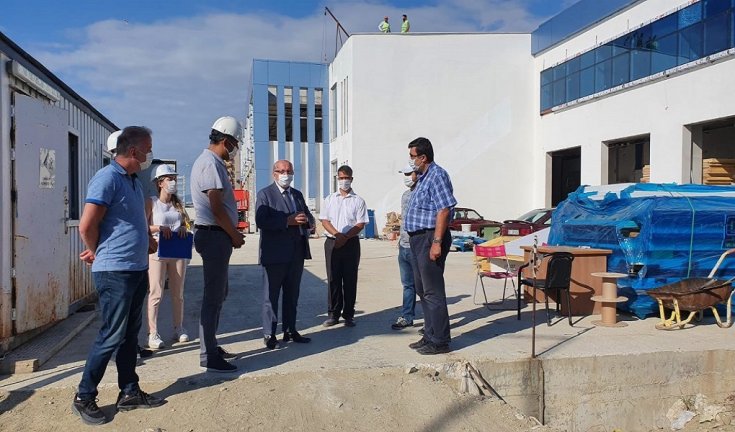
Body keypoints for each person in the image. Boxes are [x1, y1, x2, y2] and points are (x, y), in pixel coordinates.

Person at [73, 126, 165, 426]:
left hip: (135, 268)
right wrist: (97, 251)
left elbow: (128, 223)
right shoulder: (107, 178)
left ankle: (129, 391)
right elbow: (86, 225)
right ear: (134, 150)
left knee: (128, 335)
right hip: (116, 271)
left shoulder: (134, 182)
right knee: (111, 334)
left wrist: (147, 242)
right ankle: (84, 396)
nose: (150, 153)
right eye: (148, 147)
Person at [191, 116, 245, 373]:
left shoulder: (212, 163)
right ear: (225, 141)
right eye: (234, 145)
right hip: (214, 235)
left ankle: (211, 343)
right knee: (213, 296)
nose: (234, 151)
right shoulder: (210, 164)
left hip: (215, 235)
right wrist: (233, 233)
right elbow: (215, 207)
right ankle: (208, 354)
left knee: (219, 293)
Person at [404, 137, 457, 355]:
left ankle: (440, 340)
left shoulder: (437, 175)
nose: (410, 161)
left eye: (412, 157)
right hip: (417, 240)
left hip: (429, 238)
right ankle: (430, 333)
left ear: (423, 157)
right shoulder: (423, 178)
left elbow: (444, 209)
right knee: (421, 289)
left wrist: (436, 242)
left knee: (433, 290)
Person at [256, 160, 315, 349]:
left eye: (288, 171)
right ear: (274, 174)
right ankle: (269, 333)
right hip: (274, 254)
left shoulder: (297, 194)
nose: (285, 174)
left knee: (292, 295)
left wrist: (309, 221)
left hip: (296, 253)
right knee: (271, 296)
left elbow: (306, 213)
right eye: (281, 171)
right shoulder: (265, 194)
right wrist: (286, 221)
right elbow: (261, 220)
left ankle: (290, 330)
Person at [146, 164, 191, 349]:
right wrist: (159, 228)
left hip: (177, 251)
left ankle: (178, 328)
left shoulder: (178, 204)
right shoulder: (151, 202)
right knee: (156, 293)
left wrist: (182, 227)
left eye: (174, 178)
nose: (173, 182)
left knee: (178, 293)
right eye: (169, 179)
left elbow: (187, 224)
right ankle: (152, 333)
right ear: (160, 183)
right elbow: (143, 226)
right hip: (157, 251)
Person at [320, 165, 369, 327]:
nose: (344, 181)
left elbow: (361, 223)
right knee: (333, 278)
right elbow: (325, 220)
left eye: (346, 178)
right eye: (341, 178)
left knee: (349, 279)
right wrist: (337, 235)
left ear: (351, 179)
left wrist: (346, 236)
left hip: (351, 243)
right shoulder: (329, 199)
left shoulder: (358, 201)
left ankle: (349, 315)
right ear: (337, 179)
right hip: (332, 242)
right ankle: (333, 314)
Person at [392, 165, 420, 330]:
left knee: (423, 286)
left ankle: (432, 321)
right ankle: (407, 316)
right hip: (404, 247)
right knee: (408, 284)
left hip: (417, 247)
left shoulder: (423, 193)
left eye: (409, 173)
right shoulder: (405, 195)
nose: (407, 177)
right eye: (405, 174)